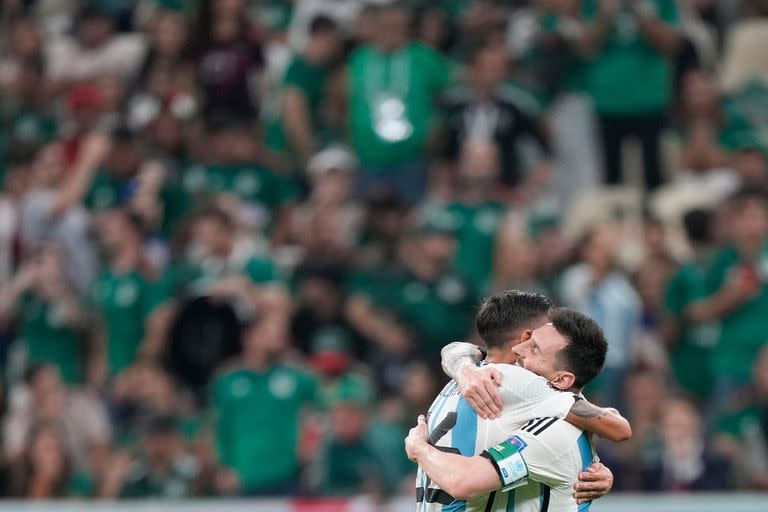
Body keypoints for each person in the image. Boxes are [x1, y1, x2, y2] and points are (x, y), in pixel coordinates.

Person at [413, 291, 627, 510]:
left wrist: (590, 464)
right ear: (525, 336)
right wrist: (417, 448)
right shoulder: (519, 383)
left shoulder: (460, 378)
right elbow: (618, 428)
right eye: (536, 339)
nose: (519, 350)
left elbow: (454, 350)